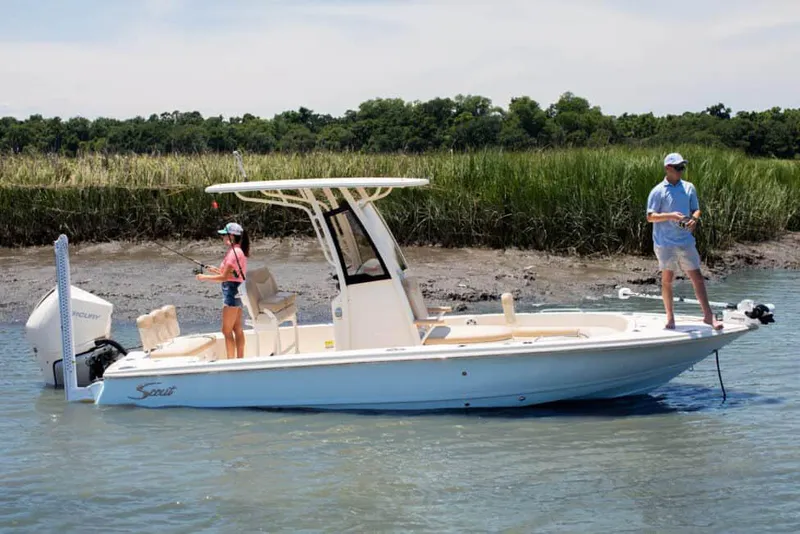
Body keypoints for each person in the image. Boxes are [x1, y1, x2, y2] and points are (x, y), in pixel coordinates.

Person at [646, 153, 723, 330]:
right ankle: (670, 317)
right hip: (665, 242)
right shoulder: (658, 191)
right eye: (678, 167)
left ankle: (708, 316)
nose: (681, 171)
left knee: (697, 277)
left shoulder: (689, 187)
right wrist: (671, 215)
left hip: (685, 240)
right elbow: (650, 217)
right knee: (667, 278)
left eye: (683, 167)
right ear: (668, 169)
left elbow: (696, 210)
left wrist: (694, 220)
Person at [196, 222, 250, 358]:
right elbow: (231, 273)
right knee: (237, 328)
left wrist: (204, 277)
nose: (222, 237)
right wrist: (214, 269)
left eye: (224, 235)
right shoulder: (238, 251)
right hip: (238, 290)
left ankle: (231, 361)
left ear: (232, 236)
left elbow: (224, 277)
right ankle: (240, 359)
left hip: (231, 292)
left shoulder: (233, 253)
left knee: (226, 330)